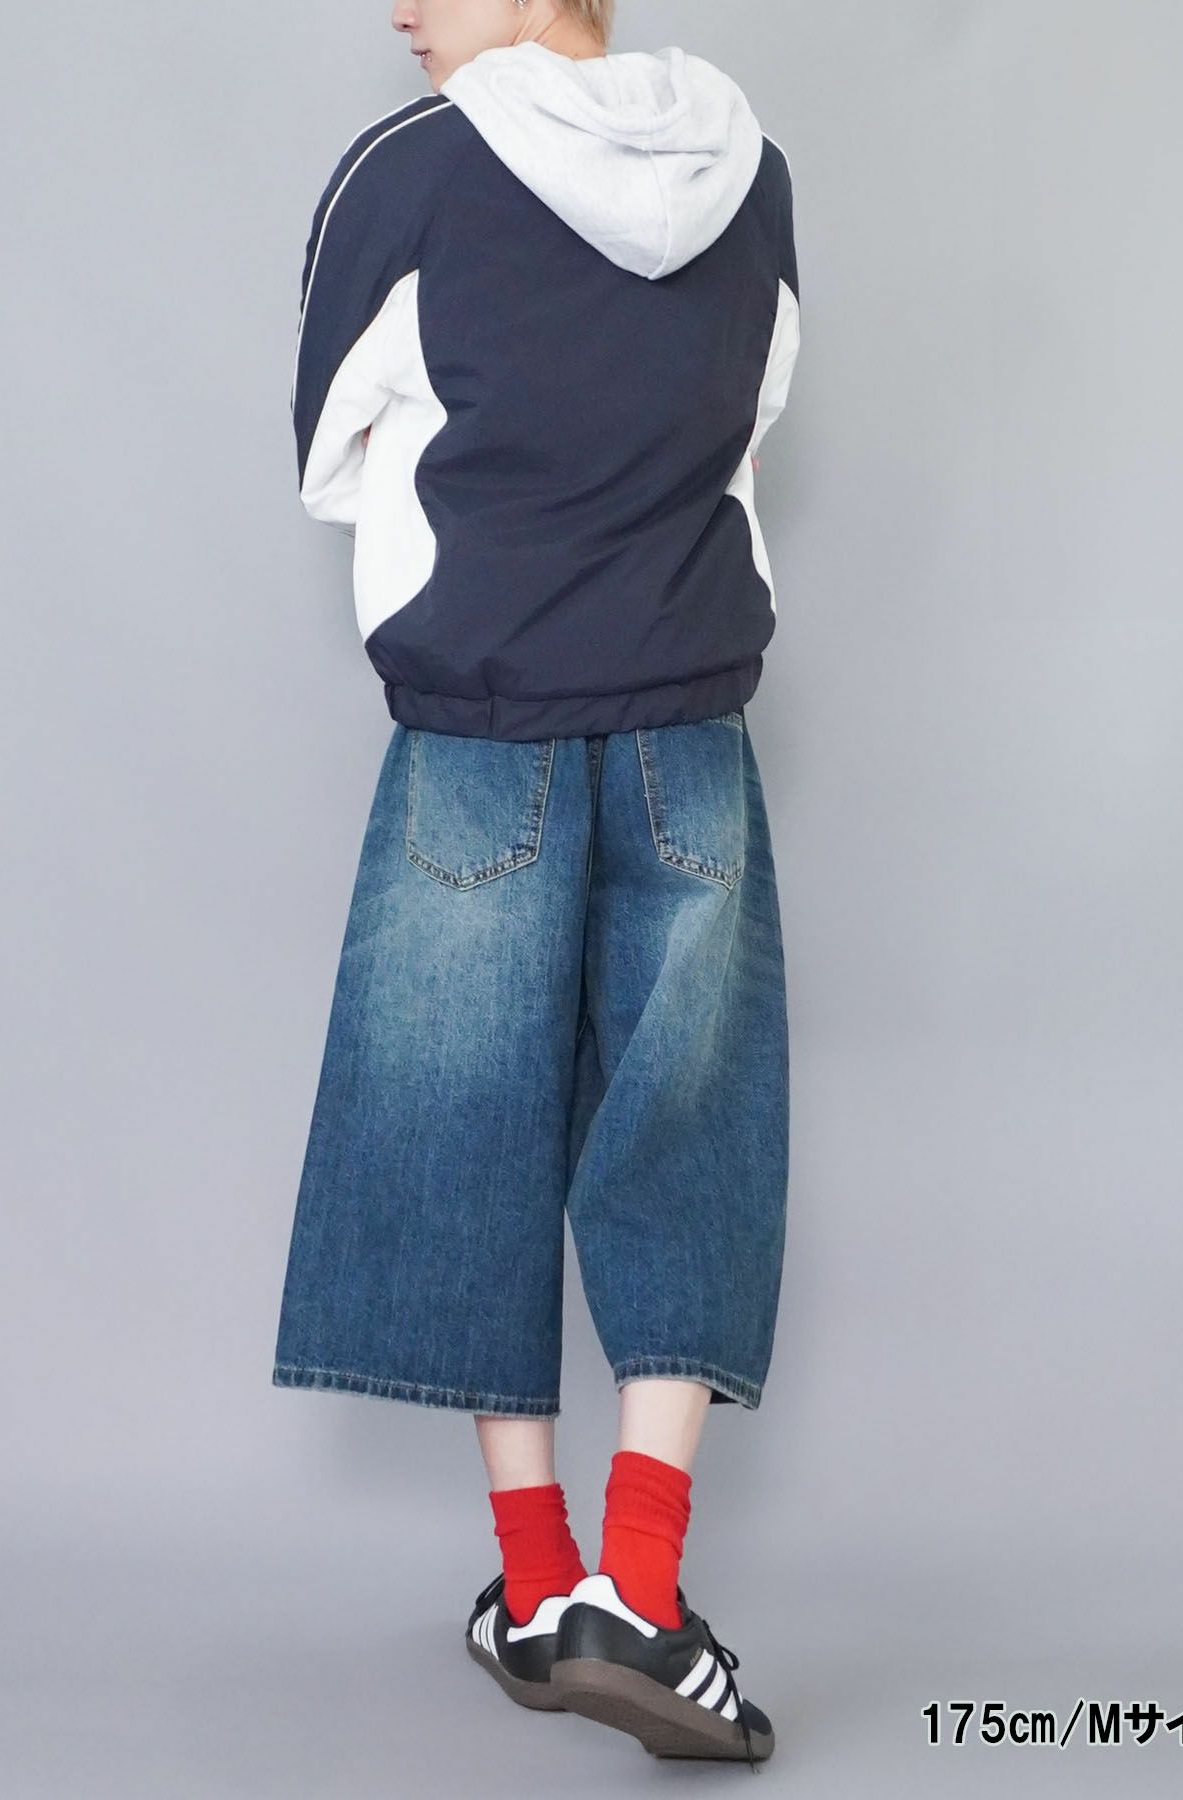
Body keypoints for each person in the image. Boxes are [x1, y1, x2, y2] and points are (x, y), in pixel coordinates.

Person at [271, 0, 801, 1767]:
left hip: (481, 730)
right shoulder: (754, 174)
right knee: (688, 1124)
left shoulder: (405, 173)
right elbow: (744, 428)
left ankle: (538, 1579)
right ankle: (644, 1592)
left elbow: (333, 456)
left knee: (463, 1122)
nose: (399, 10)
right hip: (691, 727)